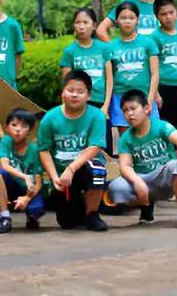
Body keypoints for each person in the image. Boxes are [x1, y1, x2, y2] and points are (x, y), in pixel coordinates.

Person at [106, 90, 177, 229]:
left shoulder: (160, 126)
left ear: (147, 108)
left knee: (175, 165)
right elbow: (124, 166)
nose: (129, 114)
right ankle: (146, 206)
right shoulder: (125, 138)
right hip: (144, 180)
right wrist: (137, 182)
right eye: (125, 110)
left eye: (133, 108)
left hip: (165, 178)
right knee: (115, 188)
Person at [38, 70, 108, 232]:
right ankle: (79, 206)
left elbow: (94, 147)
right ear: (62, 93)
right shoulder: (50, 117)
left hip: (85, 167)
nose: (75, 95)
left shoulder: (96, 116)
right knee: (68, 222)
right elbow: (44, 150)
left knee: (98, 169)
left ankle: (92, 213)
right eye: (70, 90)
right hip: (61, 176)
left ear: (88, 95)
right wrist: (55, 177)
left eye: (80, 91)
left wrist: (71, 168)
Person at [108, 2, 160, 135]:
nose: (127, 21)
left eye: (131, 18)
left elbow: (155, 74)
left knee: (150, 135)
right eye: (123, 18)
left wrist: (150, 98)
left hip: (144, 96)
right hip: (120, 97)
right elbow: (109, 77)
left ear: (137, 19)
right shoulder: (111, 47)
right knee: (126, 138)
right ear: (117, 20)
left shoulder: (148, 43)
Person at [0, 109, 45, 231]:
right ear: (7, 127)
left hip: (30, 189)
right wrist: (25, 177)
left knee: (36, 209)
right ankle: (5, 217)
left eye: (24, 126)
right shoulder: (6, 141)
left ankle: (31, 217)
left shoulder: (35, 150)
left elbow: (38, 183)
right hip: (13, 184)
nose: (18, 130)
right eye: (14, 125)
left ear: (30, 130)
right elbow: (4, 165)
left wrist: (26, 198)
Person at [59, 7, 113, 116]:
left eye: (85, 22)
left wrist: (106, 106)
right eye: (78, 22)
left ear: (94, 26)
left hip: (101, 103)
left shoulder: (104, 48)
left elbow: (109, 80)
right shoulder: (69, 51)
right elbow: (66, 84)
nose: (81, 26)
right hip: (79, 104)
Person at [151, 0, 177, 134]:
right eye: (163, 14)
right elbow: (151, 69)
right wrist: (155, 93)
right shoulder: (154, 37)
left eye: (171, 12)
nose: (168, 17)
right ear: (157, 16)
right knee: (166, 126)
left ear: (176, 12)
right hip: (164, 87)